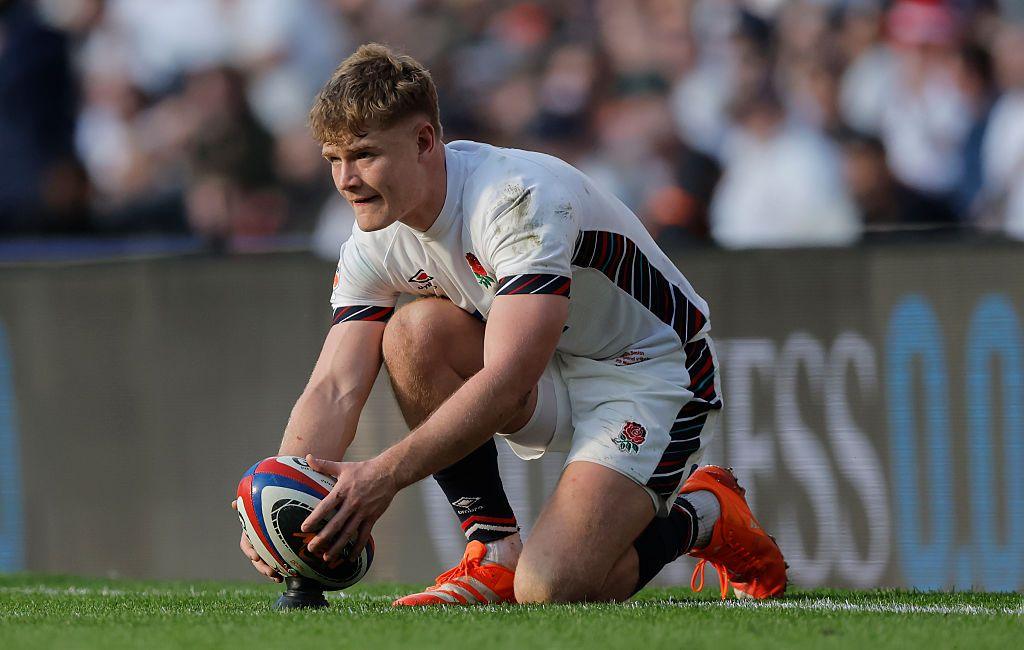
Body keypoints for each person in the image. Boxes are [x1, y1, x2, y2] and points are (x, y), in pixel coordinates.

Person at [237, 43, 787, 606]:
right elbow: (335, 385)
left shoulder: (514, 201)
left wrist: (382, 477)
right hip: (549, 365)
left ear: (425, 141)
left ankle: (704, 516)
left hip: (649, 374)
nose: (347, 179)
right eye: (333, 158)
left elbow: (506, 383)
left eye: (364, 154)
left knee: (551, 589)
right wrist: (282, 503)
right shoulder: (374, 235)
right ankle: (493, 551)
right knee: (413, 333)